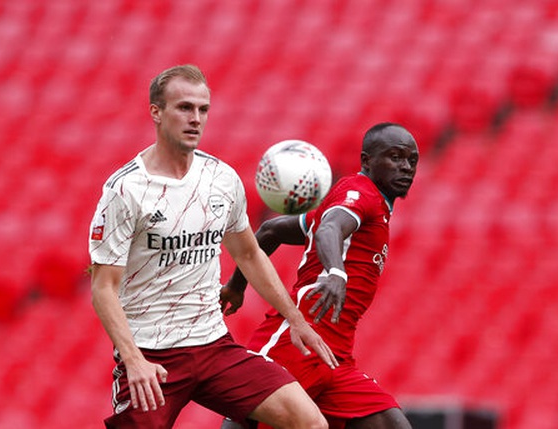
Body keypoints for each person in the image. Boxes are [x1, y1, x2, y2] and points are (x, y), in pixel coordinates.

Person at [88, 64, 338, 429]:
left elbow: (249, 253)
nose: (196, 119)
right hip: (151, 356)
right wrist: (133, 359)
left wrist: (295, 319)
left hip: (213, 345)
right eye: (184, 108)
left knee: (310, 423)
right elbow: (102, 287)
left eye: (203, 109)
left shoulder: (221, 179)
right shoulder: (126, 190)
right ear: (156, 112)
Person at [220, 122, 419, 429]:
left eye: (412, 160)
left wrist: (236, 287)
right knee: (248, 418)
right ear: (367, 161)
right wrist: (335, 271)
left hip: (335, 354)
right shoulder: (358, 192)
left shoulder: (366, 206)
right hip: (297, 339)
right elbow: (330, 229)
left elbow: (272, 230)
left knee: (393, 425)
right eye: (395, 157)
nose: (406, 167)